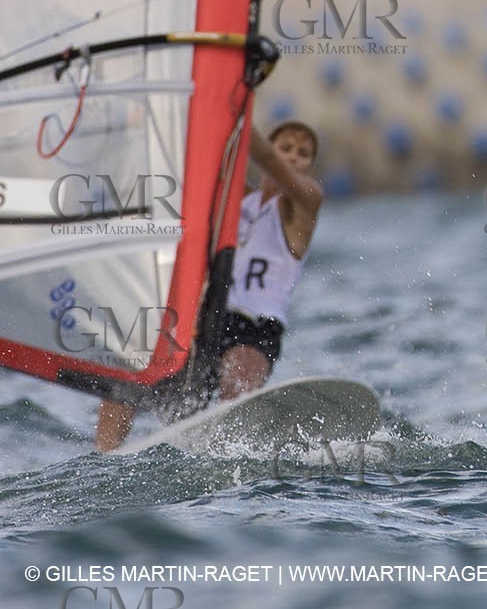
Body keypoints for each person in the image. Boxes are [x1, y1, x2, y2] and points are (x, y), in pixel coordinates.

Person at [94, 121, 324, 452]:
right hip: (208, 320)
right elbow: (207, 167)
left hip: (255, 329)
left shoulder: (307, 203)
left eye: (303, 154)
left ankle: (230, 449)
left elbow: (274, 165)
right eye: (285, 147)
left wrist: (240, 117)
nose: (292, 157)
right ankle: (105, 455)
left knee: (238, 375)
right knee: (130, 370)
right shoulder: (239, 200)